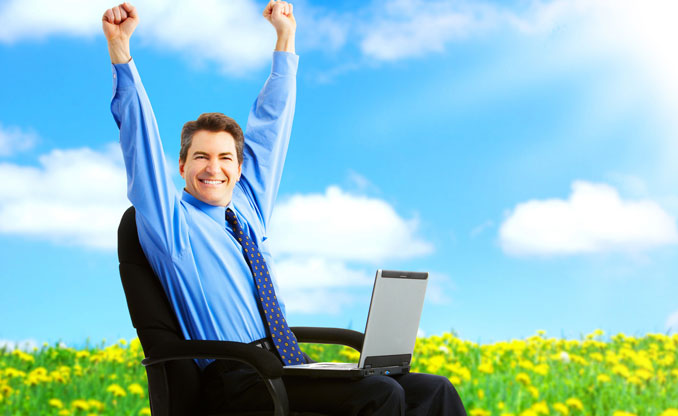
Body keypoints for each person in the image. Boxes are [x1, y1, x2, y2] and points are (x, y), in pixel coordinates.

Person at [103, 2, 466, 414]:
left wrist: (285, 40)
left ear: (240, 168)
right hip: (238, 377)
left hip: (288, 366)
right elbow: (140, 147)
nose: (213, 168)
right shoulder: (170, 224)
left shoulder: (247, 209)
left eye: (225, 158)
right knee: (382, 395)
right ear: (182, 165)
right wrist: (121, 52)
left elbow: (271, 127)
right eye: (201, 157)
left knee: (435, 389)